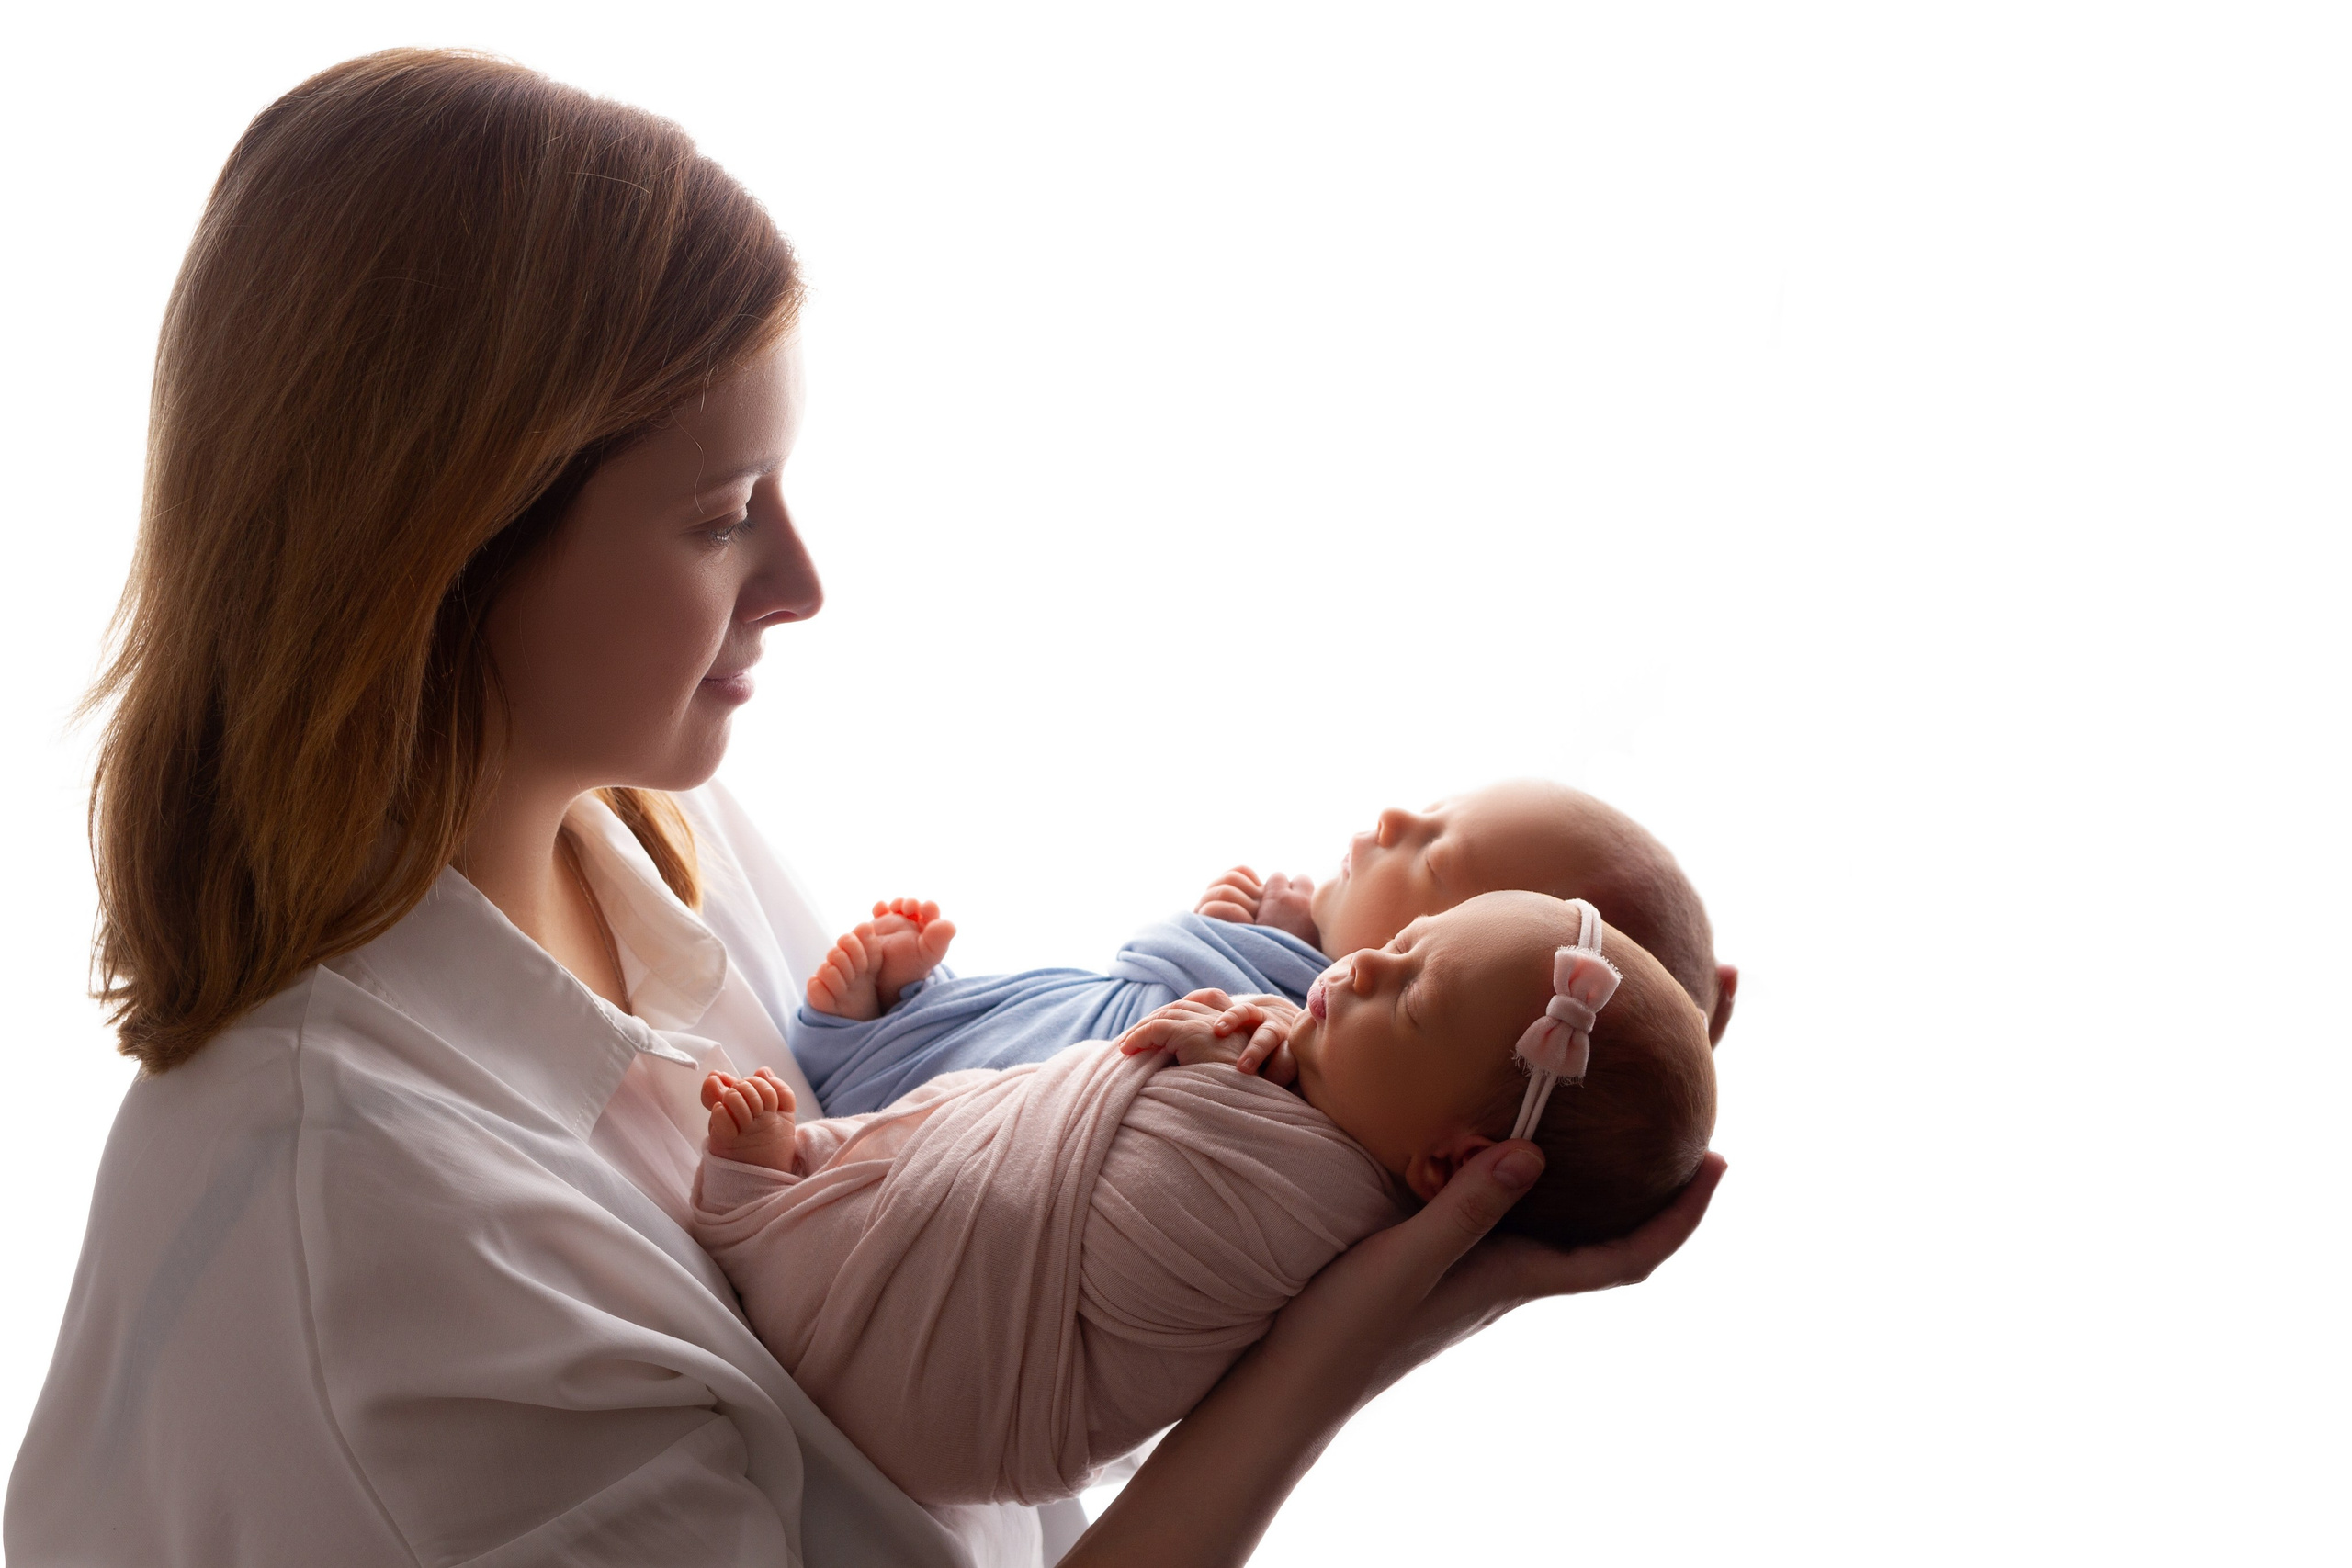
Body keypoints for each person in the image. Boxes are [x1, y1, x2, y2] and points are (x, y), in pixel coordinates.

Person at [5, 48, 1725, 1568]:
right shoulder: (389, 1254)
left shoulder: (650, 841)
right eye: (724, 511)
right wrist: (1364, 1332)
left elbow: (981, 1322)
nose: (806, 583)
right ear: (437, 547)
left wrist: (1475, 1071)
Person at [685, 891, 1713, 1506]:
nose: (1357, 968)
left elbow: (1125, 1141)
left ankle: (779, 1193)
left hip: (955, 1381)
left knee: (979, 1150)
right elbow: (1107, 1075)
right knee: (986, 1113)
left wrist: (1194, 1067)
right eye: (1400, 943)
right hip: (941, 1425)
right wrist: (1215, 1032)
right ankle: (809, 1171)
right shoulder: (1303, 1072)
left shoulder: (1311, 1211)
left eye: (1407, 997)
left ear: (1448, 1166)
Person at [789, 779, 1738, 1115]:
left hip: (1043, 1086)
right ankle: (902, 1016)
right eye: (1431, 805)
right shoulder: (1301, 964)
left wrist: (1226, 939)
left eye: (1438, 857)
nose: (1396, 817)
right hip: (1079, 1022)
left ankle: (872, 1048)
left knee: (1002, 1077)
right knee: (1025, 1014)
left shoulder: (1340, 1068)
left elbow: (1200, 1027)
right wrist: (1238, 930)